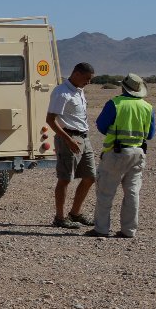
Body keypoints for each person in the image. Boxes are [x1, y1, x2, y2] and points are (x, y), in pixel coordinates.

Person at [88, 73, 155, 240]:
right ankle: (129, 230)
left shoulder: (115, 103)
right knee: (132, 192)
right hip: (138, 153)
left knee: (106, 193)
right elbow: (150, 134)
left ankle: (101, 229)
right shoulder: (147, 107)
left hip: (116, 152)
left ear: (123, 87)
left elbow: (102, 126)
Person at [46, 62, 96, 227]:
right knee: (65, 178)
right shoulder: (62, 92)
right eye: (86, 78)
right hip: (68, 138)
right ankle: (59, 218)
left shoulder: (79, 91)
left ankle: (75, 213)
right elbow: (50, 120)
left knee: (90, 177)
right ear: (76, 74)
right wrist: (68, 139)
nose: (88, 82)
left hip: (83, 137)